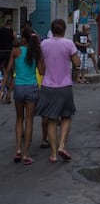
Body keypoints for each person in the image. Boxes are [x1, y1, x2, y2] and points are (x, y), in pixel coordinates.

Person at [35, 19, 80, 163]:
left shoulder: (44, 44)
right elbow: (77, 63)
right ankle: (62, 146)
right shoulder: (68, 43)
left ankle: (53, 154)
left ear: (52, 30)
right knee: (66, 117)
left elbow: (41, 69)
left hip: (48, 87)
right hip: (64, 86)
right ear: (64, 30)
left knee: (51, 121)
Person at [0, 28, 43, 165]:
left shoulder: (16, 51)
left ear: (23, 39)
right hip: (32, 88)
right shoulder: (36, 53)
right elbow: (42, 71)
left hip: (18, 88)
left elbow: (8, 71)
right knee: (29, 120)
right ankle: (26, 154)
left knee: (19, 119)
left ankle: (18, 150)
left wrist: (2, 89)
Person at [0, 19, 16, 103]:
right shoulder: (12, 32)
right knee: (10, 74)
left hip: (0, 52)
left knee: (4, 74)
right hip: (8, 54)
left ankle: (2, 92)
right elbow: (15, 41)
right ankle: (7, 94)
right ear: (11, 24)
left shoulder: (1, 30)